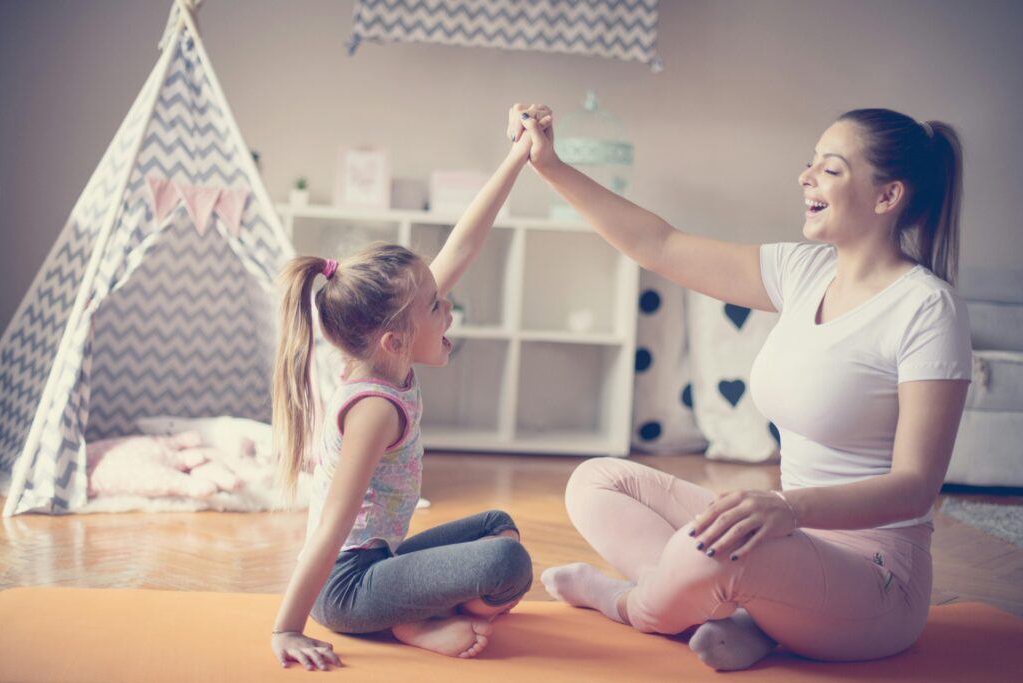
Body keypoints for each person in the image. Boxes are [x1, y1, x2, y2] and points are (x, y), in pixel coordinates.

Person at [508, 104, 971, 670]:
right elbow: (660, 245)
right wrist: (549, 165)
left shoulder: (927, 308)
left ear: (886, 196)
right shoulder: (804, 273)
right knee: (598, 481)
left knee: (710, 550)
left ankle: (626, 601)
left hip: (876, 580)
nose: (806, 177)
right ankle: (748, 620)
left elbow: (915, 487)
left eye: (830, 168)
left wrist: (787, 509)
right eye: (811, 164)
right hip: (791, 540)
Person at [268, 118, 551, 671]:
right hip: (347, 590)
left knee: (496, 525)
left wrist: (519, 156)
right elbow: (331, 526)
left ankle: (413, 612)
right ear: (396, 340)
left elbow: (463, 244)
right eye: (436, 307)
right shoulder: (374, 409)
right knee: (506, 563)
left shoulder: (387, 351)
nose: (448, 308)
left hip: (380, 562)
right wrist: (286, 627)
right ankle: (406, 624)